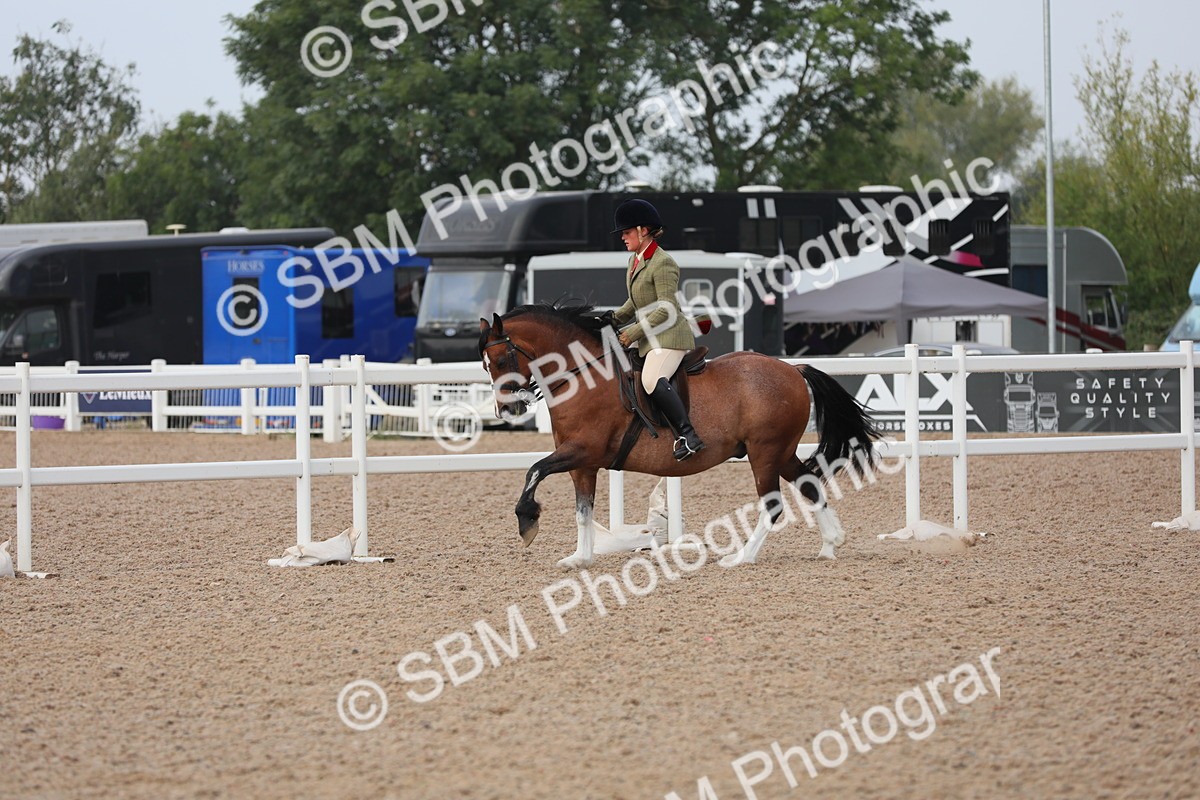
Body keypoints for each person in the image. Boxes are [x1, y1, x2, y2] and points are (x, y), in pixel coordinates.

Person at [609, 199, 706, 460]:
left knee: (650, 379)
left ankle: (688, 435)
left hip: (670, 336)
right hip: (650, 336)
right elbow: (635, 301)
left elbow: (666, 309)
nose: (622, 237)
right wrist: (613, 319)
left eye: (626, 232)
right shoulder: (635, 260)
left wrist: (631, 333)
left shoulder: (663, 262)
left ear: (643, 230)